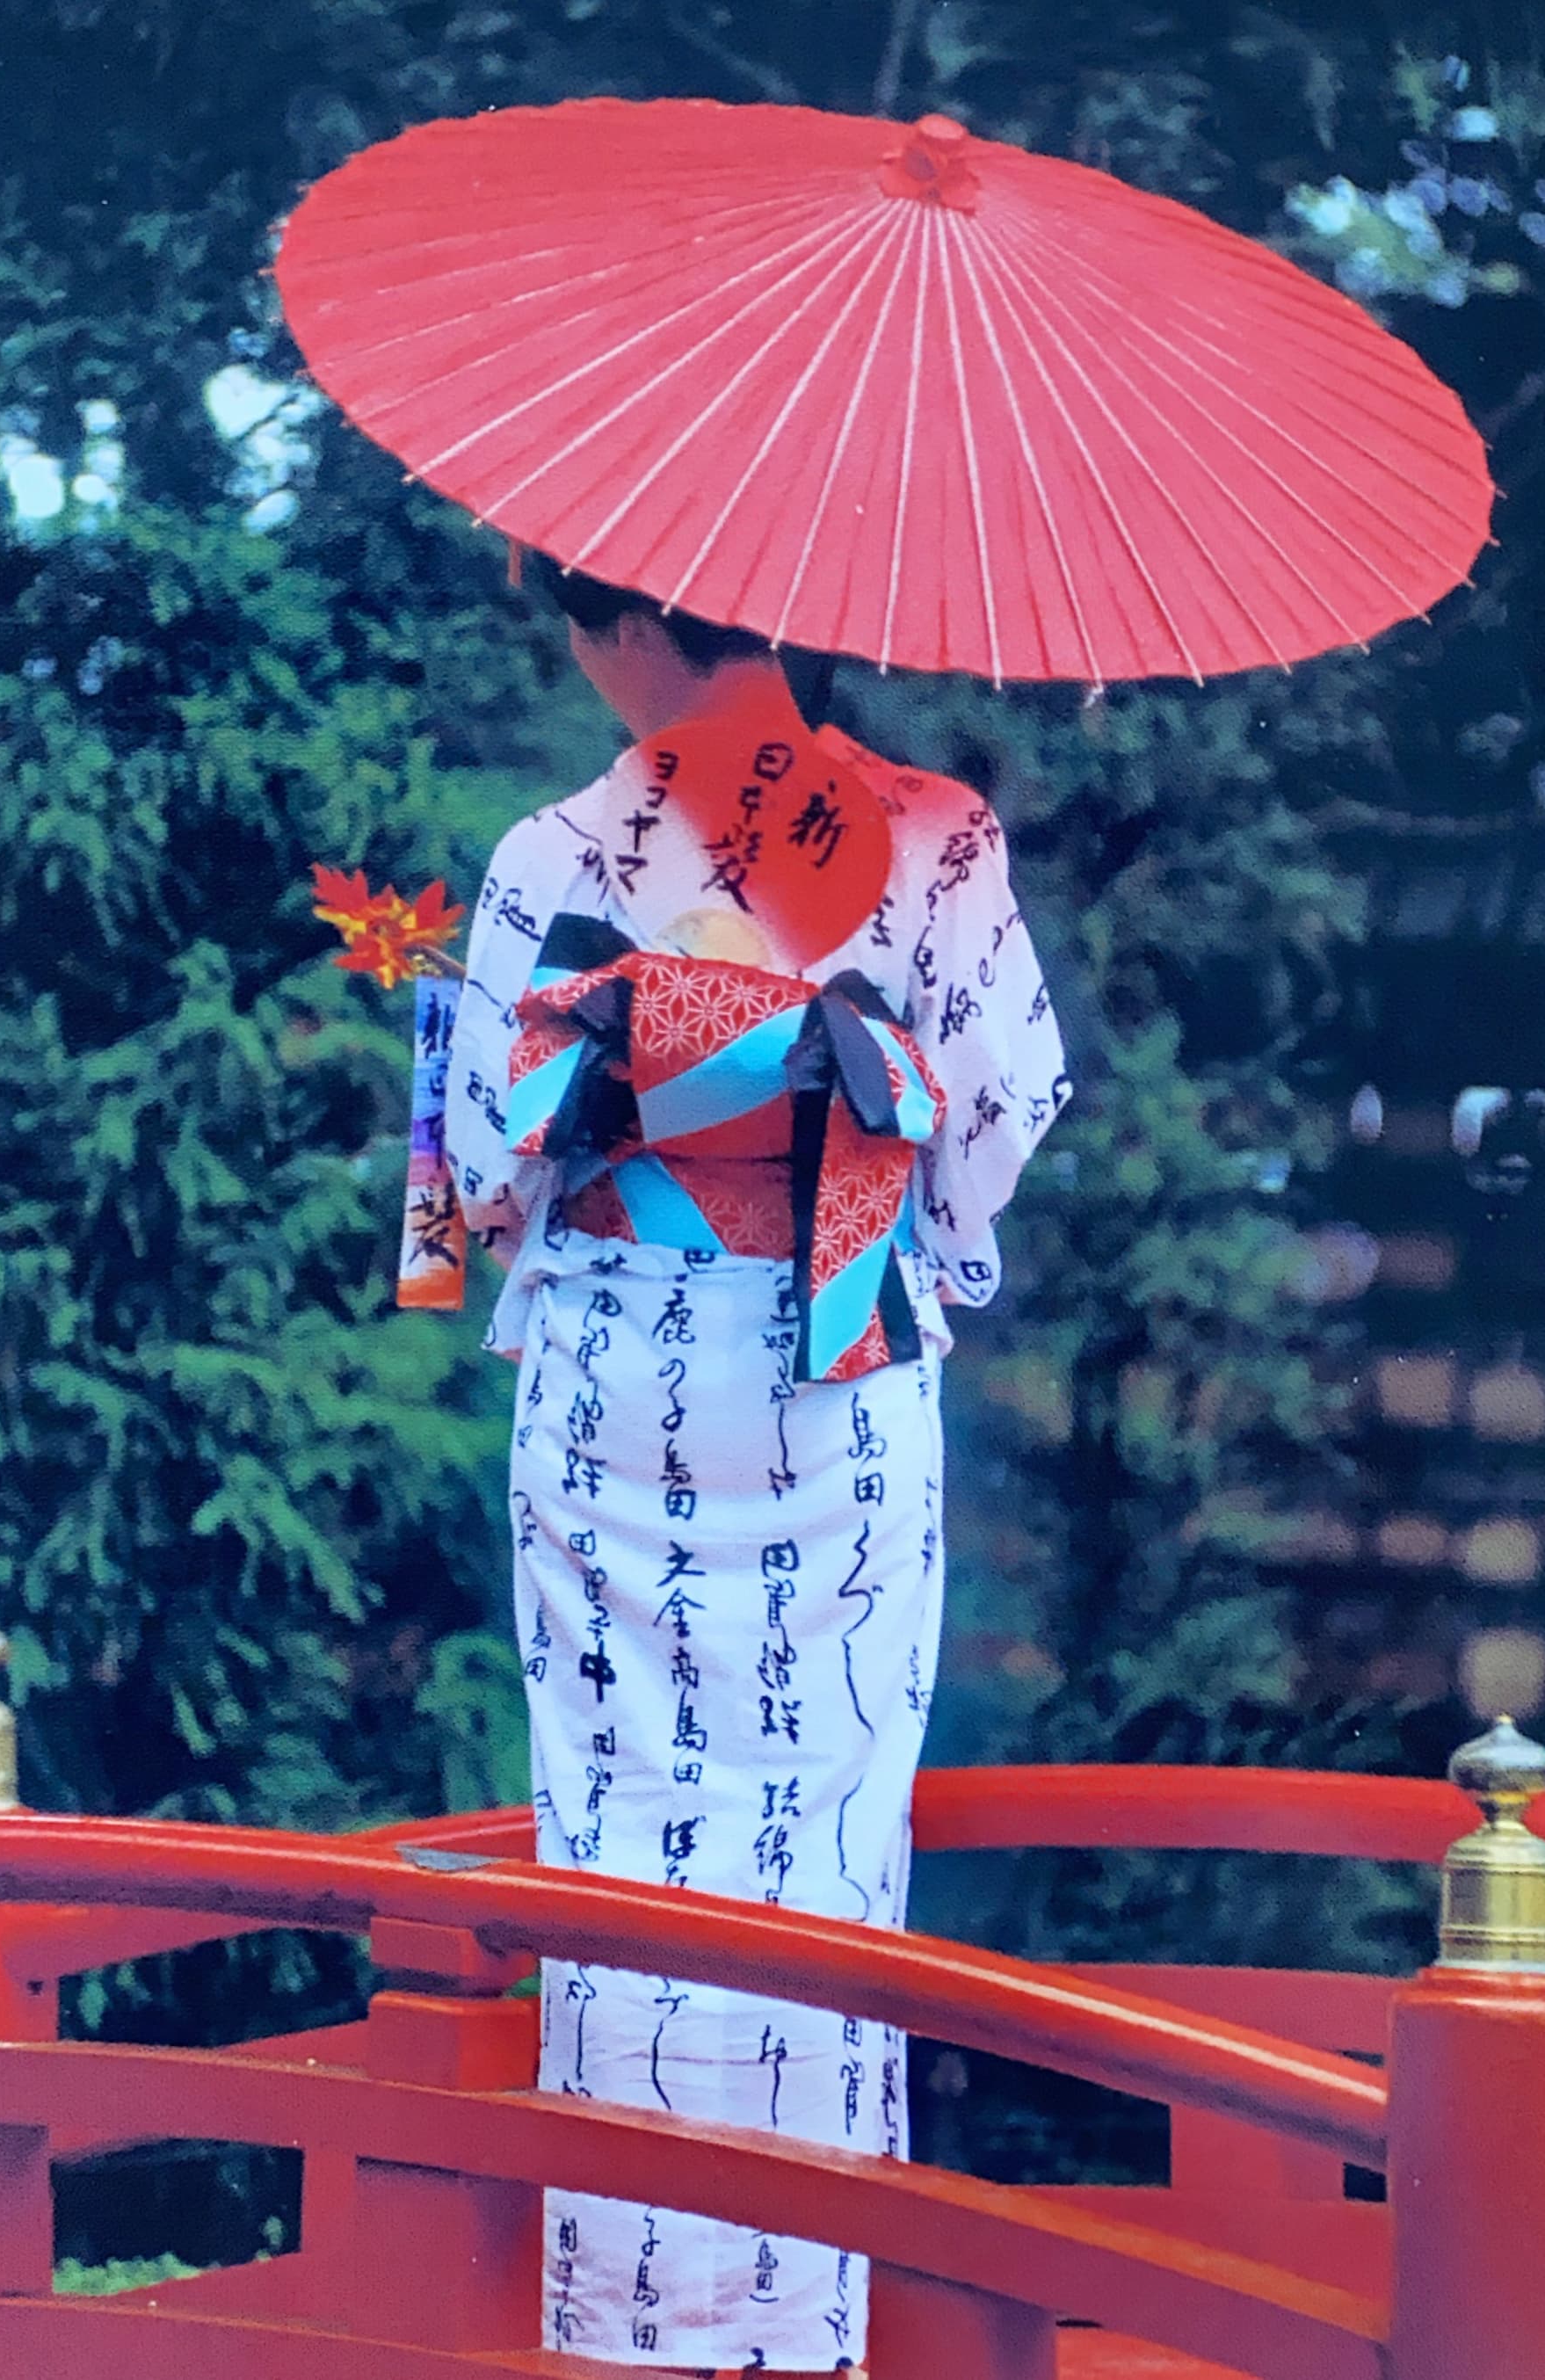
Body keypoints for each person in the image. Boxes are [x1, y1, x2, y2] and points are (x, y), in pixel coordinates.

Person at [444, 561, 1069, 2378]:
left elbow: (486, 1171)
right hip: (837, 1364)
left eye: (573, 624)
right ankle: (799, 2332)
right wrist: (835, 1086)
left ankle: (626, 2326)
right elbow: (998, 1124)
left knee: (621, 1821)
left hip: (618, 1380)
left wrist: (654, 1061)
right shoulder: (937, 838)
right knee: (825, 1838)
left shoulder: (549, 857)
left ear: (628, 625)